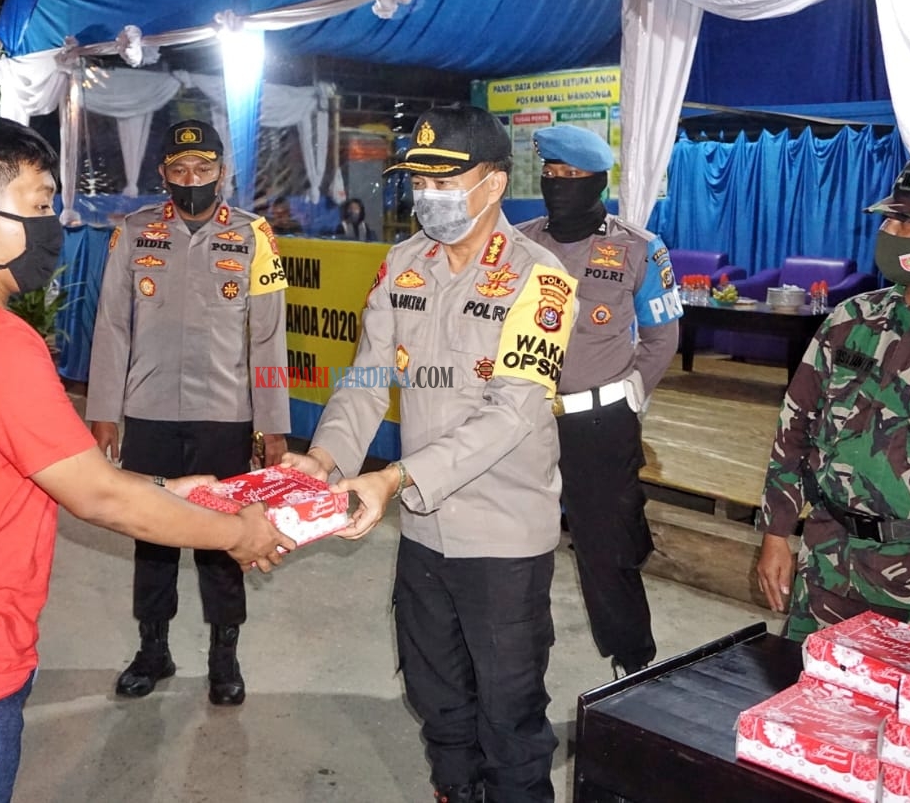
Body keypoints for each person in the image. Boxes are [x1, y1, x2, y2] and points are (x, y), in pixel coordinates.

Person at [0, 111, 293, 801]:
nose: (52, 226)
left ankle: (223, 653)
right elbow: (99, 494)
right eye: (38, 206)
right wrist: (240, 532)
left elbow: (59, 474)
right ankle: (154, 645)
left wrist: (174, 486)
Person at [284, 104, 575, 803]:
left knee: (509, 717)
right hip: (422, 530)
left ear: (494, 184)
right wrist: (325, 461)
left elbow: (512, 412)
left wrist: (393, 478)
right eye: (419, 181)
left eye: (446, 181)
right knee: (436, 698)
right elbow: (366, 378)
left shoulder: (540, 278)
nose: (429, 196)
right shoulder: (403, 265)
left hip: (502, 536)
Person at [87, 119, 291, 705]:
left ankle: (225, 658)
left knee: (225, 539)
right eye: (179, 169)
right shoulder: (133, 233)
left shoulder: (255, 236)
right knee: (151, 536)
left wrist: (272, 423)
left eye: (203, 168)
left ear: (221, 173)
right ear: (163, 174)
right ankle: (153, 651)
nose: (191, 178)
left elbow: (268, 338)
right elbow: (112, 325)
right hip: (148, 409)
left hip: (225, 414)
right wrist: (104, 409)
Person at [755, 159, 910, 645]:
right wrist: (776, 531)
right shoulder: (851, 320)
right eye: (889, 219)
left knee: (903, 697)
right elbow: (794, 428)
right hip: (828, 563)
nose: (890, 232)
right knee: (805, 687)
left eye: (907, 222)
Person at [516, 125, 681, 678]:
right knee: (512, 541)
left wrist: (631, 394)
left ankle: (632, 663)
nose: (558, 185)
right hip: (522, 418)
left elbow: (662, 337)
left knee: (608, 551)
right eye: (551, 174)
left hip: (599, 424)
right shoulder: (518, 243)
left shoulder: (638, 247)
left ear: (597, 182)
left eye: (572, 176)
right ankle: (514, 661)